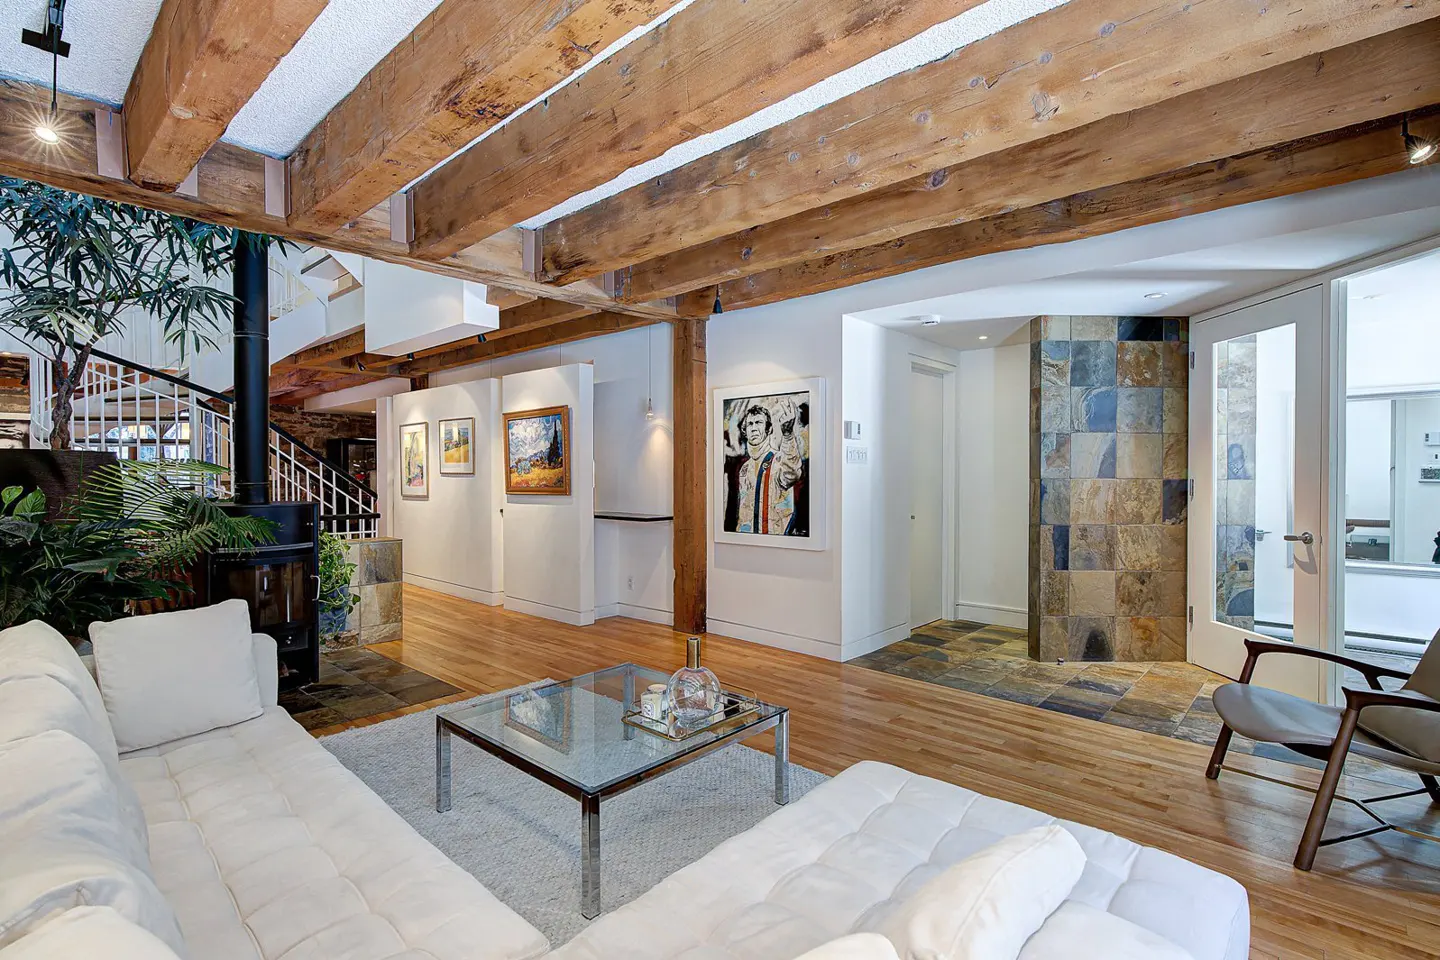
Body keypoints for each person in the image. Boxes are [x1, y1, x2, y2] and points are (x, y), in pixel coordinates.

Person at [722, 397, 808, 537]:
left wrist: (787, 436)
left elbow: (792, 473)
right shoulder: (744, 469)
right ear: (745, 431)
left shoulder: (779, 460)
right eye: (750, 424)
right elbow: (744, 512)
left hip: (779, 544)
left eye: (759, 423)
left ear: (768, 429)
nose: (754, 428)